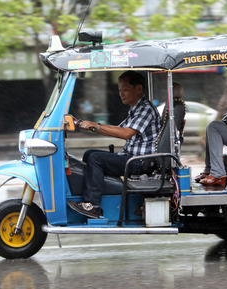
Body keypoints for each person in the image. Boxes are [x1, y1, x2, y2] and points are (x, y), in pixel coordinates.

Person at [68, 71, 161, 218]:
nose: (121, 94)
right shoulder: (135, 109)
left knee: (95, 159)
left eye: (125, 89)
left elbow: (125, 133)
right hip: (134, 158)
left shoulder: (145, 109)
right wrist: (82, 125)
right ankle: (91, 196)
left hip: (140, 162)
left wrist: (94, 125)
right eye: (119, 90)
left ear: (139, 89)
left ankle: (93, 205)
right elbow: (116, 129)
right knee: (89, 153)